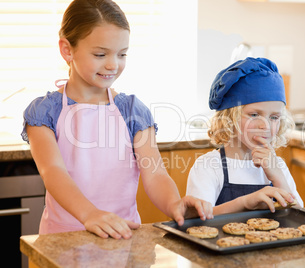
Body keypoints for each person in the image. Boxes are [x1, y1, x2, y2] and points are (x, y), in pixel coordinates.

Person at [21, 0, 212, 240]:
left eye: (122, 54)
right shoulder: (44, 112)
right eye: (100, 54)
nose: (113, 64)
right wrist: (90, 214)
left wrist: (174, 203)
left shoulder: (132, 110)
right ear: (67, 50)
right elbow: (53, 172)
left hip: (122, 239)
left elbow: (155, 174)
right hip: (62, 239)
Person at [186, 57, 303, 215]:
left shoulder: (278, 165)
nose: (265, 126)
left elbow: (299, 217)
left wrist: (278, 178)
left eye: (274, 117)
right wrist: (245, 203)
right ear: (228, 118)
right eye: (254, 114)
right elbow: (197, 220)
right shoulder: (208, 167)